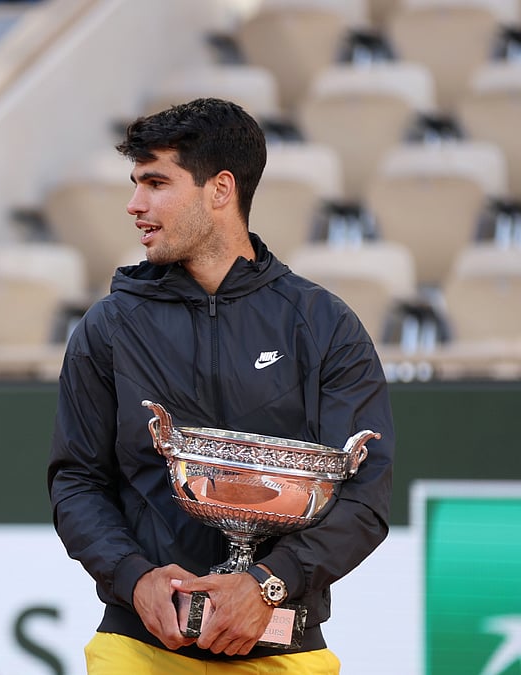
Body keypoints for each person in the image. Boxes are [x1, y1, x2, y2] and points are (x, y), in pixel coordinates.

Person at [47, 98, 394, 673]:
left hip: (286, 647)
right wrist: (135, 580)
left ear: (221, 188)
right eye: (135, 184)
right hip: (139, 648)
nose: (135, 205)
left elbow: (365, 495)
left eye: (156, 183)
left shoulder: (325, 325)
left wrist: (266, 585)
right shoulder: (107, 328)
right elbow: (77, 483)